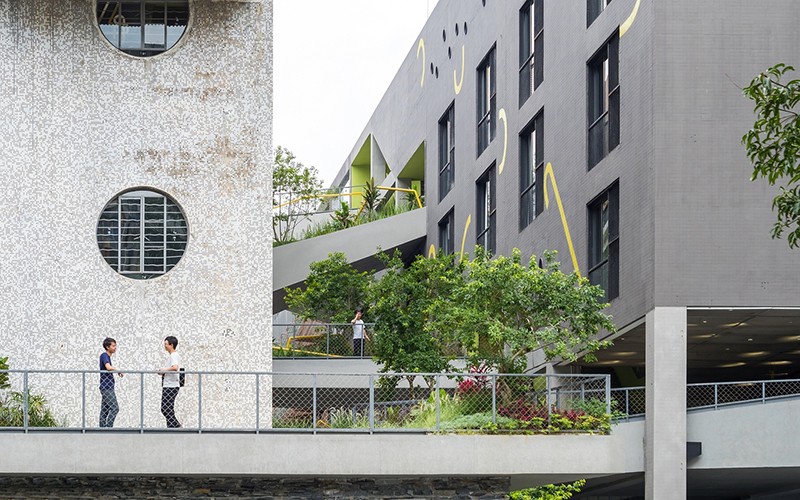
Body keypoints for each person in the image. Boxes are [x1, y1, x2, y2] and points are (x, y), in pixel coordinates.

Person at [98, 337, 123, 428]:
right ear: (107, 347)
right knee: (115, 408)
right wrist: (118, 370)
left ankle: (102, 428)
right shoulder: (104, 355)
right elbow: (108, 367)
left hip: (107, 387)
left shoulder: (106, 356)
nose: (115, 347)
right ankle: (108, 427)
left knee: (105, 410)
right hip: (107, 387)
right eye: (113, 346)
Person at [158, 336, 182, 428]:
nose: (165, 346)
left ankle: (176, 426)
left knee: (165, 408)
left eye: (166, 344)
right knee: (168, 408)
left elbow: (175, 367)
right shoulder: (173, 355)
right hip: (171, 385)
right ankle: (171, 428)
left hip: (171, 385)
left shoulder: (173, 355)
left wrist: (163, 370)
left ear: (171, 345)